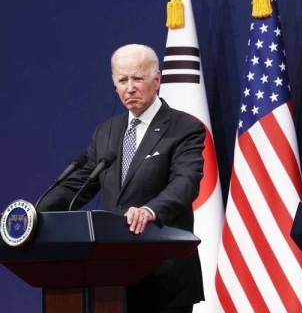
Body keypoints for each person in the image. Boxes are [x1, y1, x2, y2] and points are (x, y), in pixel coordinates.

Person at [38, 44, 205, 313]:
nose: (130, 88)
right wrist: (34, 214)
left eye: (138, 78)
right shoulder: (106, 130)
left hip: (164, 276)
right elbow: (80, 183)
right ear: (114, 83)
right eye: (122, 80)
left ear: (157, 79)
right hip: (111, 277)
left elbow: (186, 182)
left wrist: (151, 210)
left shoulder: (184, 128)